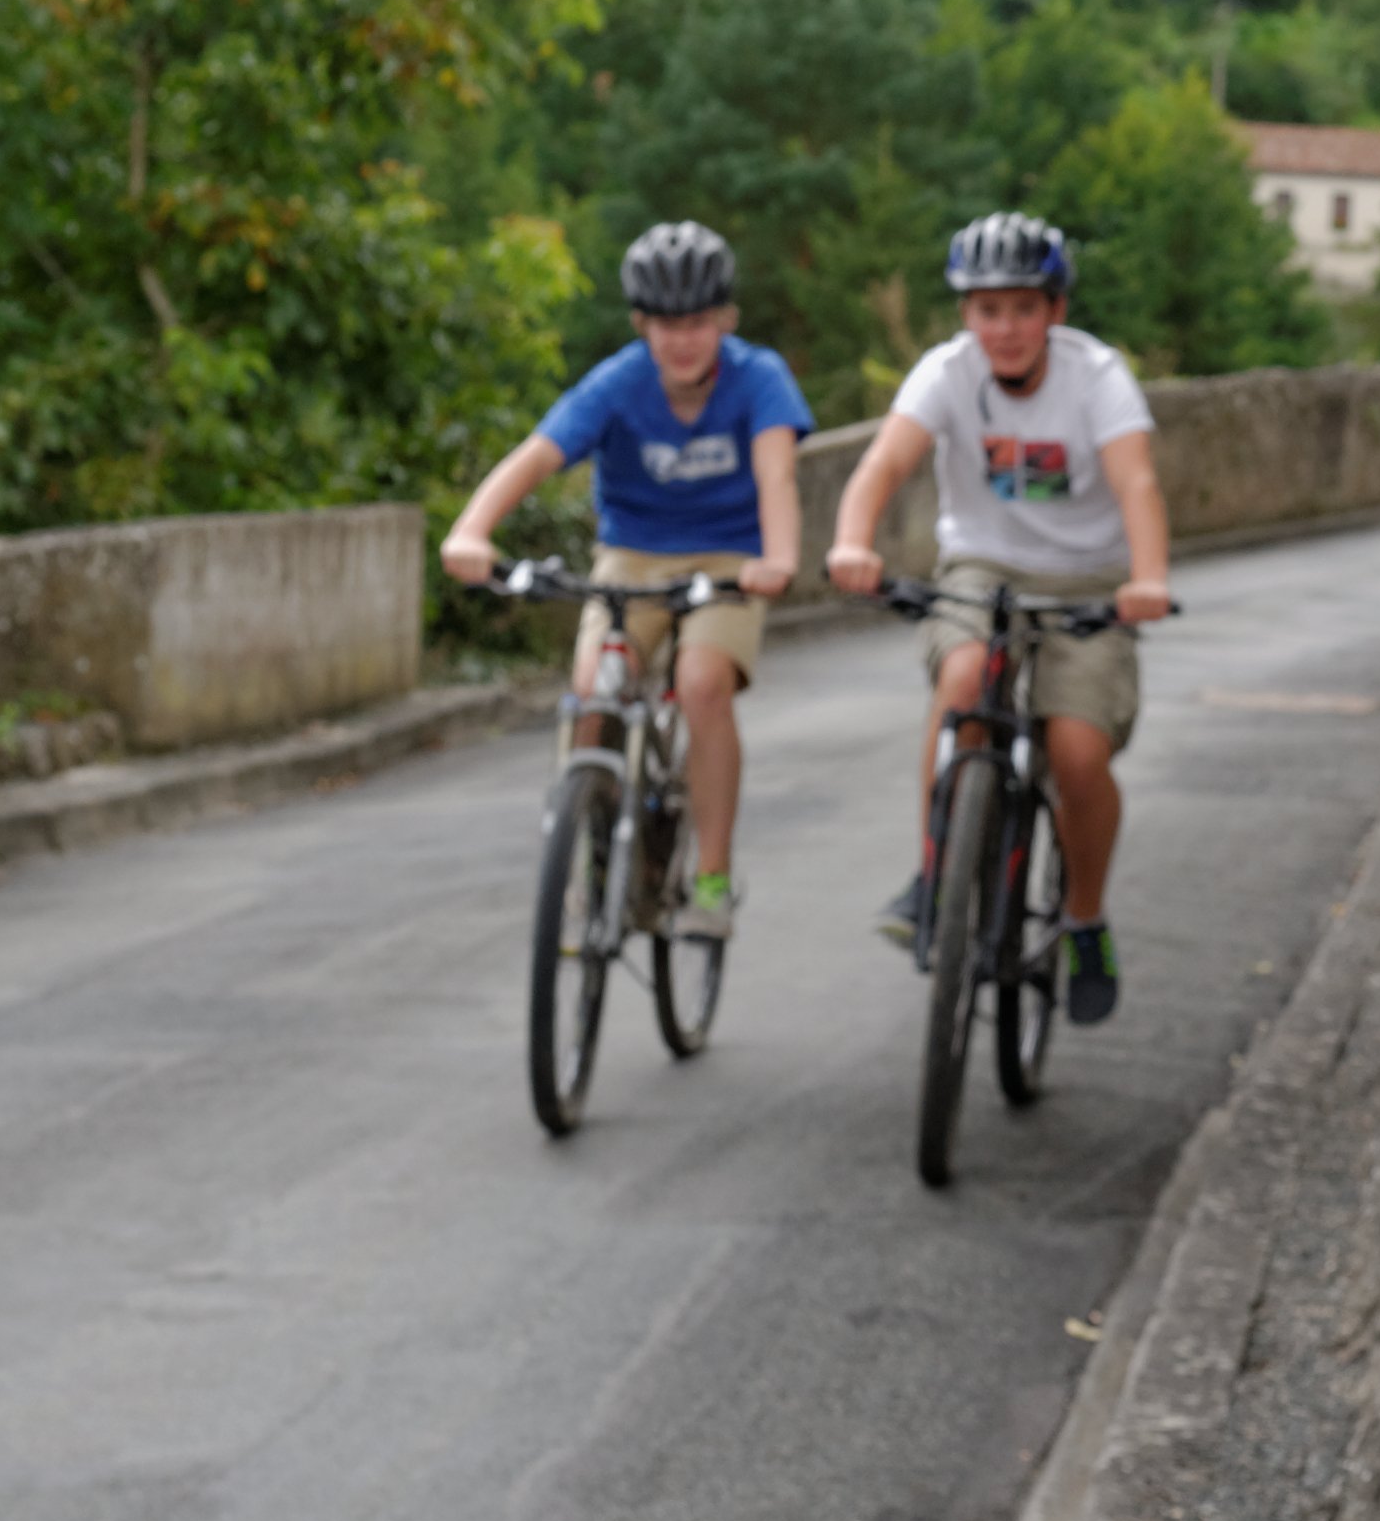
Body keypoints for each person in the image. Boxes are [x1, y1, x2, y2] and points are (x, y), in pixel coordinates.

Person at [826, 211, 1171, 1025]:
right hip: (981, 565)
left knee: (1077, 752)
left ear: (1055, 310)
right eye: (987, 310)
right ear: (965, 315)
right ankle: (936, 873)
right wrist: (851, 541)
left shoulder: (1097, 377)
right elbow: (884, 462)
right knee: (962, 680)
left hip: (1087, 577)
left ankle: (1084, 919)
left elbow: (1137, 483)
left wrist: (1148, 577)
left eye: (1023, 308)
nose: (1005, 328)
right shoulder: (947, 373)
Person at [438, 221, 811, 939]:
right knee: (594, 692)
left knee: (702, 684)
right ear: (642, 324)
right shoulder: (619, 382)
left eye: (697, 322)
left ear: (726, 320)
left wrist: (780, 558)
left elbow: (777, 475)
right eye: (667, 324)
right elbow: (537, 456)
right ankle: (594, 850)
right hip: (632, 555)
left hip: (729, 558)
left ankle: (712, 880)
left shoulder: (760, 378)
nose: (683, 340)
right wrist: (471, 530)